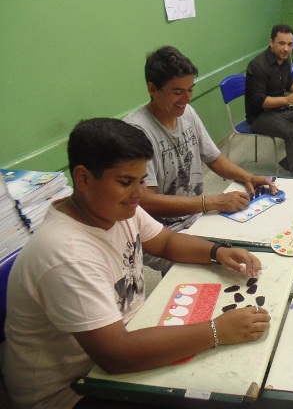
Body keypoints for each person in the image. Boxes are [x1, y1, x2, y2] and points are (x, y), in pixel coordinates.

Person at [3, 118, 271, 409]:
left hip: (121, 343)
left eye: (142, 180)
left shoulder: (114, 208)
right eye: (125, 182)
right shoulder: (65, 254)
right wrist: (217, 331)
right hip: (71, 392)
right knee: (217, 390)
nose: (139, 193)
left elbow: (166, 242)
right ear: (82, 178)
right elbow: (117, 356)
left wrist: (217, 251)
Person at [125, 46, 276, 272]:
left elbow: (213, 158)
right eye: (177, 92)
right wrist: (211, 202)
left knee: (257, 243)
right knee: (220, 268)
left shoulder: (186, 112)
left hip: (197, 216)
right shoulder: (136, 131)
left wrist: (248, 176)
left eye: (190, 90)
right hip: (164, 233)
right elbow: (145, 201)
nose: (186, 99)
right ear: (152, 89)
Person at [245, 24, 293, 178]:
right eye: (281, 43)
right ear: (271, 42)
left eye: (289, 44)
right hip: (260, 116)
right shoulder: (258, 66)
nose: (286, 49)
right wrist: (287, 100)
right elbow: (260, 101)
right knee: (292, 132)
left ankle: (290, 161)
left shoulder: (284, 61)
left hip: (280, 110)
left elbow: (290, 84)